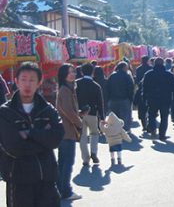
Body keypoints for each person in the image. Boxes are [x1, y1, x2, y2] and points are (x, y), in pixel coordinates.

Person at [0, 62, 64, 206]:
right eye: (23, 79)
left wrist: (30, 133)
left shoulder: (48, 110)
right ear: (16, 82)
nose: (27, 84)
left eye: (32, 80)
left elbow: (57, 138)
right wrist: (44, 140)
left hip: (47, 178)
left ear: (39, 82)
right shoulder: (5, 112)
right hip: (19, 180)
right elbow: (13, 147)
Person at [56, 63, 84, 200]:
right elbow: (67, 111)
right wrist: (79, 122)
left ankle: (60, 189)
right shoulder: (65, 90)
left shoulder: (67, 88)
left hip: (64, 130)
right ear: (63, 75)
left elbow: (68, 109)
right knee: (68, 161)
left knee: (63, 161)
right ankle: (66, 191)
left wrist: (79, 113)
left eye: (73, 71)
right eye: (69, 72)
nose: (72, 74)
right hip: (67, 131)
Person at [76, 63, 105, 166]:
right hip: (93, 114)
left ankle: (85, 159)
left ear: (81, 72)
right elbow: (100, 103)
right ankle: (94, 152)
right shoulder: (96, 86)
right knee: (94, 133)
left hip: (79, 114)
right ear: (93, 72)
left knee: (82, 137)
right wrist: (102, 117)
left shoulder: (76, 84)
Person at [142, 57, 174, 141]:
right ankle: (162, 134)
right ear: (163, 64)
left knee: (152, 115)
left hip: (152, 98)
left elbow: (144, 87)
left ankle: (153, 128)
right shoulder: (169, 74)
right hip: (165, 99)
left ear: (154, 64)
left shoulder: (148, 74)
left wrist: (144, 97)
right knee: (164, 117)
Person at [107, 61, 134, 133]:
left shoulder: (112, 76)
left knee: (115, 116)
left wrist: (108, 98)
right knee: (124, 116)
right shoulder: (127, 76)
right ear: (124, 68)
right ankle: (123, 130)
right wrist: (131, 99)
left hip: (113, 99)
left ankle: (116, 130)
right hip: (124, 99)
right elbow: (131, 88)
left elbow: (107, 88)